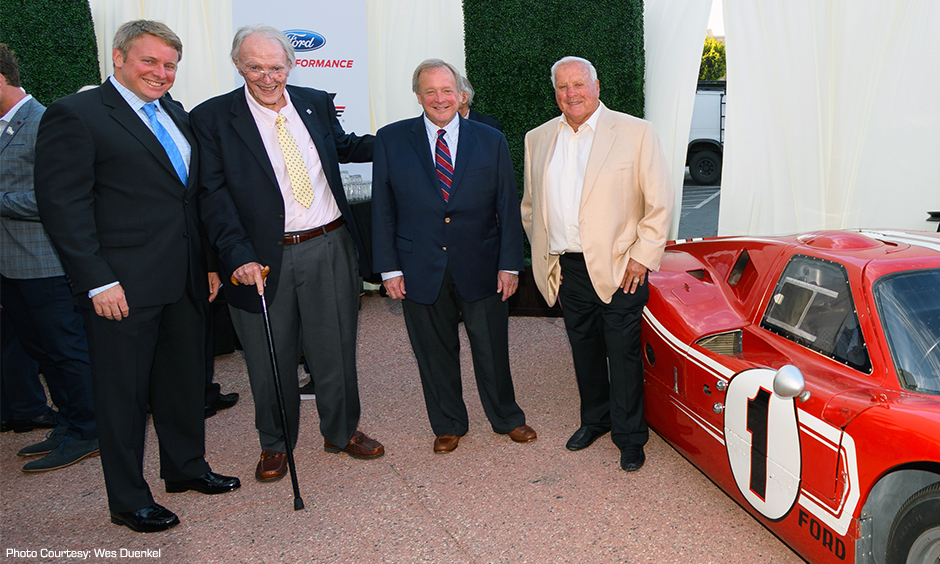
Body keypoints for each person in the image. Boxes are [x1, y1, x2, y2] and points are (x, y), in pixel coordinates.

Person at [34, 20, 240, 533]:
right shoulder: (76, 114)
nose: (162, 73)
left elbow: (189, 199)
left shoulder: (174, 113)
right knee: (123, 397)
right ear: (119, 57)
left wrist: (210, 263)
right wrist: (97, 280)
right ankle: (128, 499)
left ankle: (186, 469)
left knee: (185, 383)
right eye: (150, 61)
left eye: (170, 64)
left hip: (186, 278)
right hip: (121, 288)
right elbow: (64, 206)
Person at [192, 25, 383, 484]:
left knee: (334, 348)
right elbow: (212, 195)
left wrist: (409, 138)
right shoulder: (213, 118)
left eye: (275, 66)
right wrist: (234, 255)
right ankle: (275, 443)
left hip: (329, 245)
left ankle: (341, 431)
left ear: (290, 65)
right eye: (255, 66)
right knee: (266, 356)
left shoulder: (314, 100)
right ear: (238, 65)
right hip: (258, 259)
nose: (267, 76)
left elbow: (344, 146)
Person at [372, 58, 536, 454]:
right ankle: (447, 423)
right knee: (433, 349)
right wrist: (390, 269)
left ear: (460, 95)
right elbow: (383, 209)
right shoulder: (391, 140)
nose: (440, 98)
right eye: (430, 91)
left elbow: (506, 205)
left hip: (481, 263)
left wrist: (510, 264)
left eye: (447, 90)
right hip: (418, 266)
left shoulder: (490, 138)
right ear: (418, 97)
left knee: (492, 347)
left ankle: (506, 417)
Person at [521, 56, 673, 472]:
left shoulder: (636, 132)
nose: (572, 94)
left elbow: (658, 203)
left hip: (622, 267)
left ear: (597, 86)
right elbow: (531, 206)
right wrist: (545, 252)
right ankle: (596, 420)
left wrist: (642, 258)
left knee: (622, 354)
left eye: (579, 85)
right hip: (568, 269)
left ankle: (630, 437)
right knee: (583, 350)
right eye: (563, 87)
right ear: (554, 92)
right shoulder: (537, 138)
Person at [1, 43, 99, 472]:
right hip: (12, 264)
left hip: (45, 262)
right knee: (41, 349)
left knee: (66, 350)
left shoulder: (44, 121)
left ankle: (90, 429)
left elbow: (57, 198)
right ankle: (71, 421)